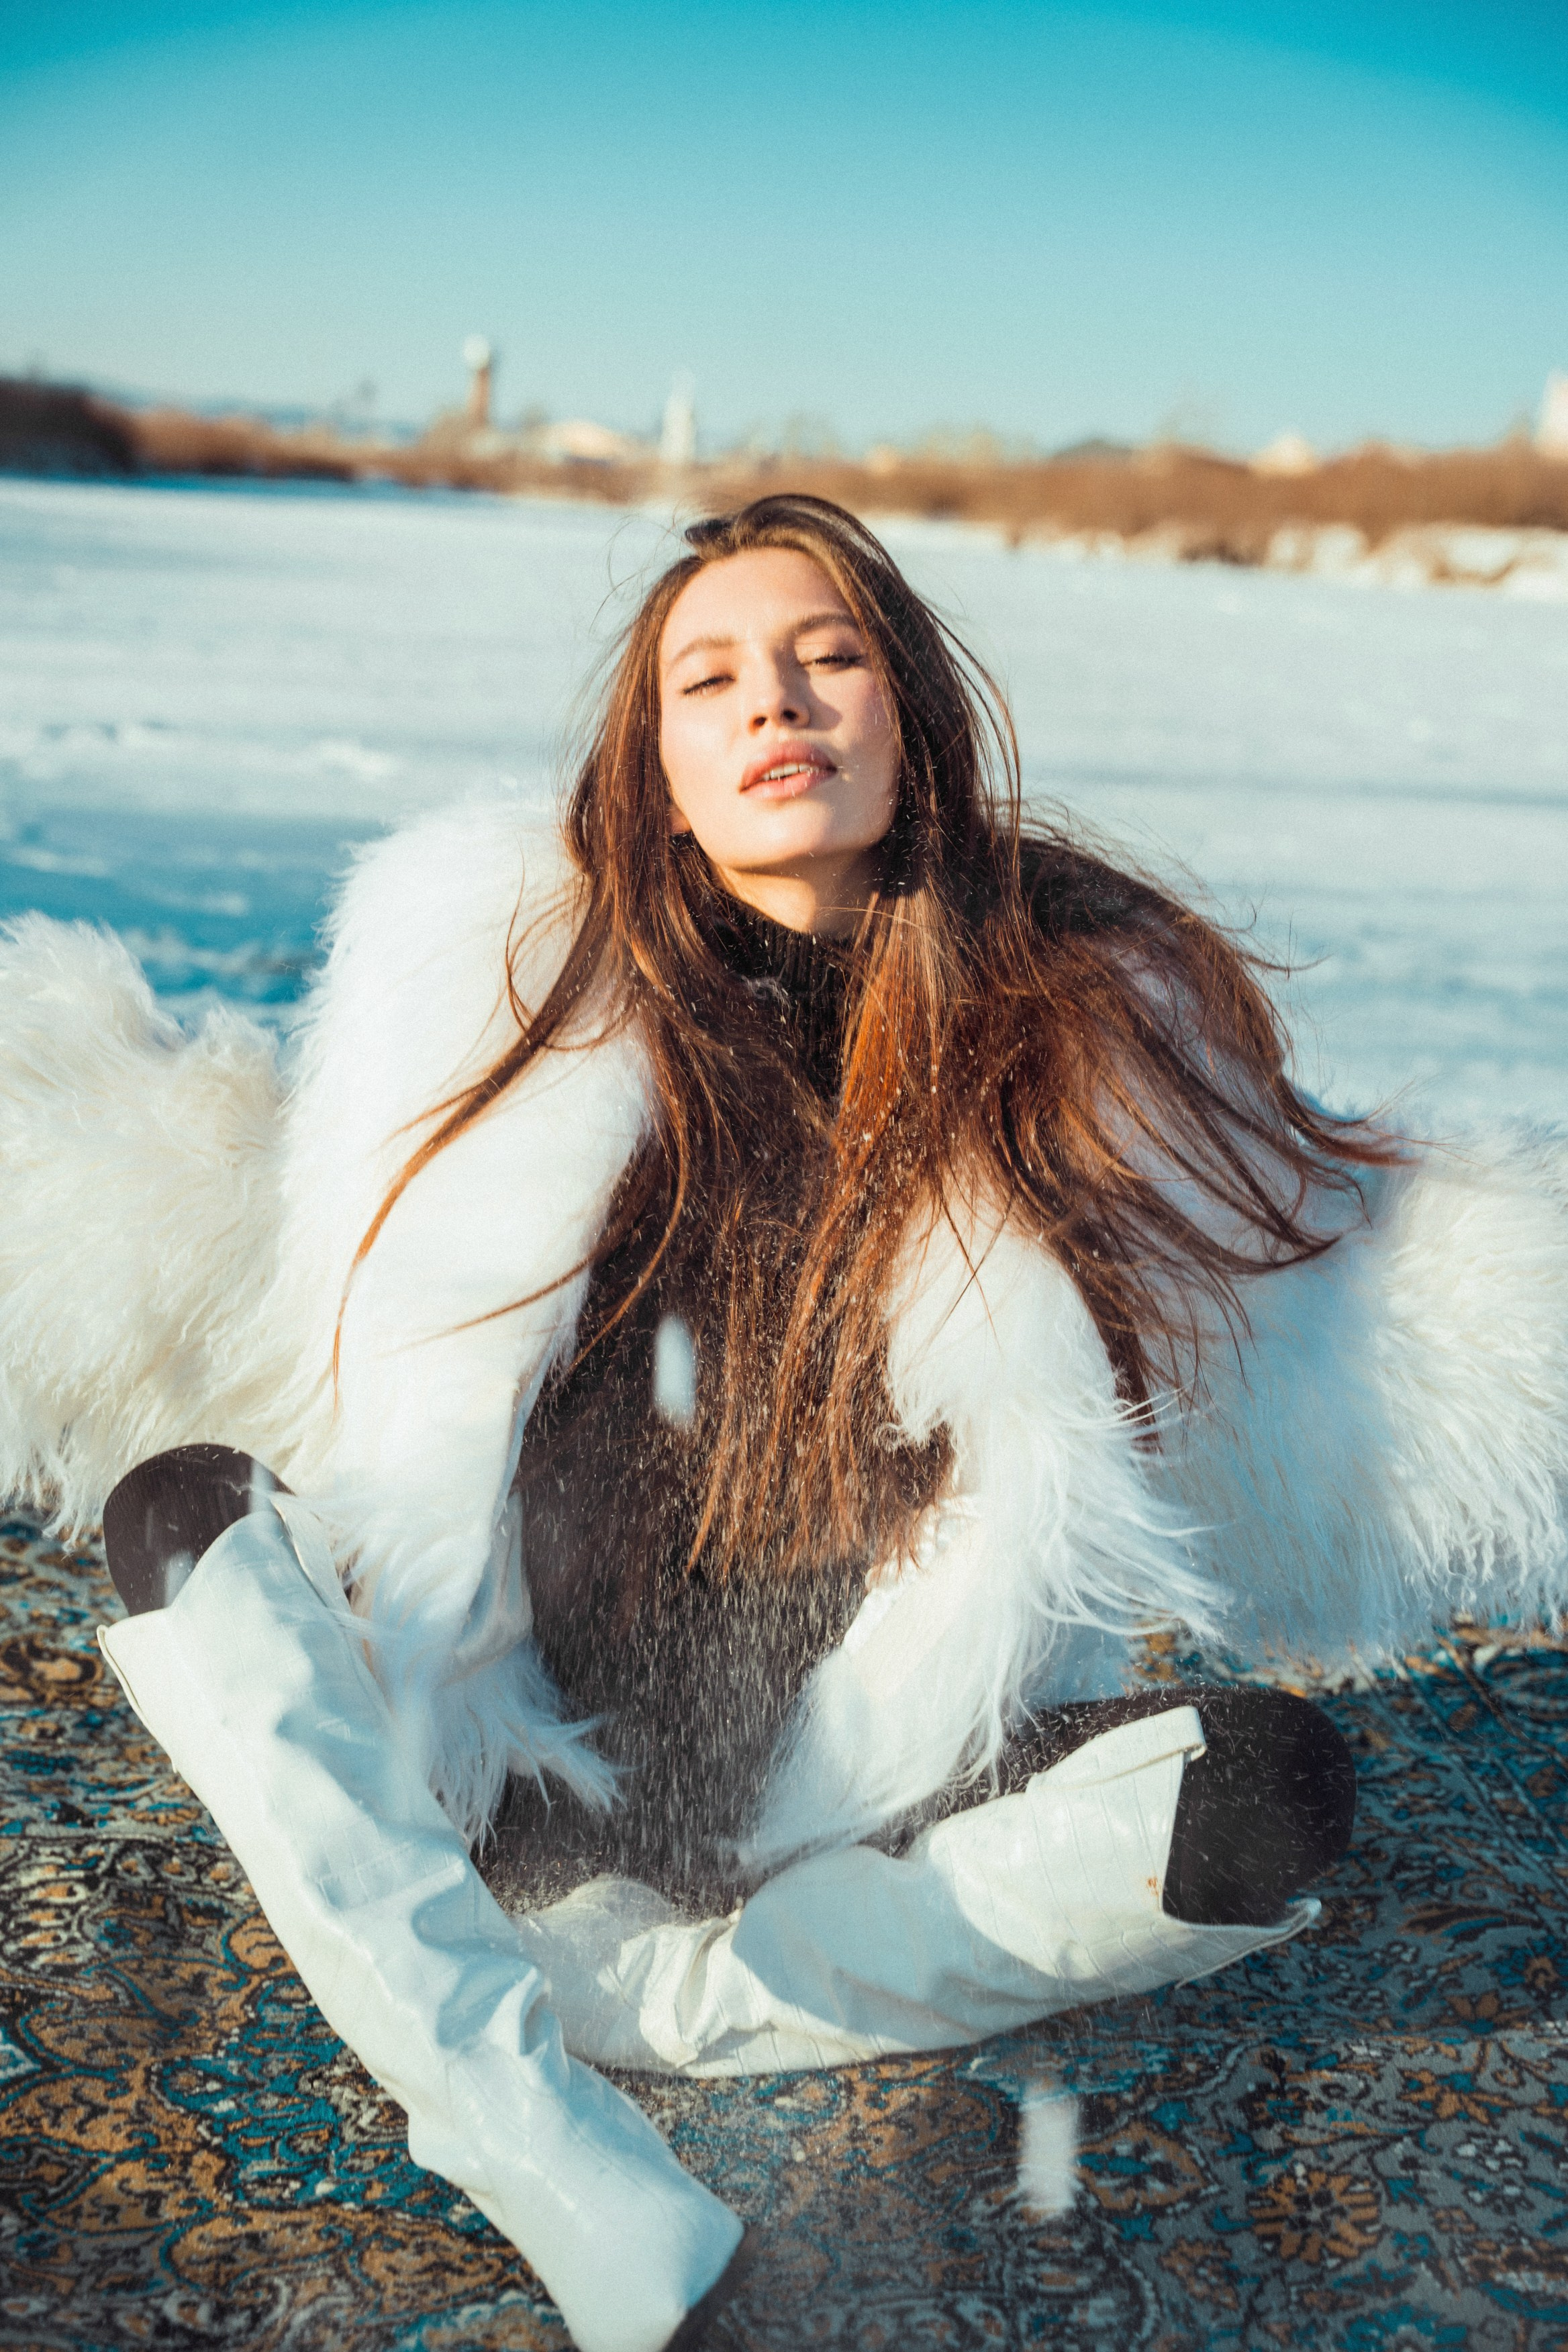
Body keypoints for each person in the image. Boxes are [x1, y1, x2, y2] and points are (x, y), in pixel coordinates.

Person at [3, 497, 1565, 2352]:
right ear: (657, 767)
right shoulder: (512, 994)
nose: (781, 705)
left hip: (858, 1788)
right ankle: (520, 2113)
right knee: (184, 1525)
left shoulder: (1074, 1024)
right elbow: (375, 1337)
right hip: (531, 1760)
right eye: (713, 677)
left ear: (908, 722)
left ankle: (678, 1991)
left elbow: (1340, 1284)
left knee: (1267, 1796)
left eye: (830, 658)